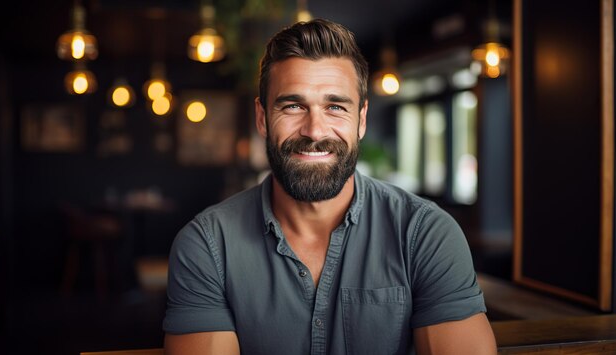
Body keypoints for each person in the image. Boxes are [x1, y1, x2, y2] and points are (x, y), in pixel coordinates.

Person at [163, 18, 497, 355]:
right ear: (262, 118)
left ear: (361, 120)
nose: (315, 130)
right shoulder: (206, 245)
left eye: (335, 107)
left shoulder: (424, 234)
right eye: (293, 106)